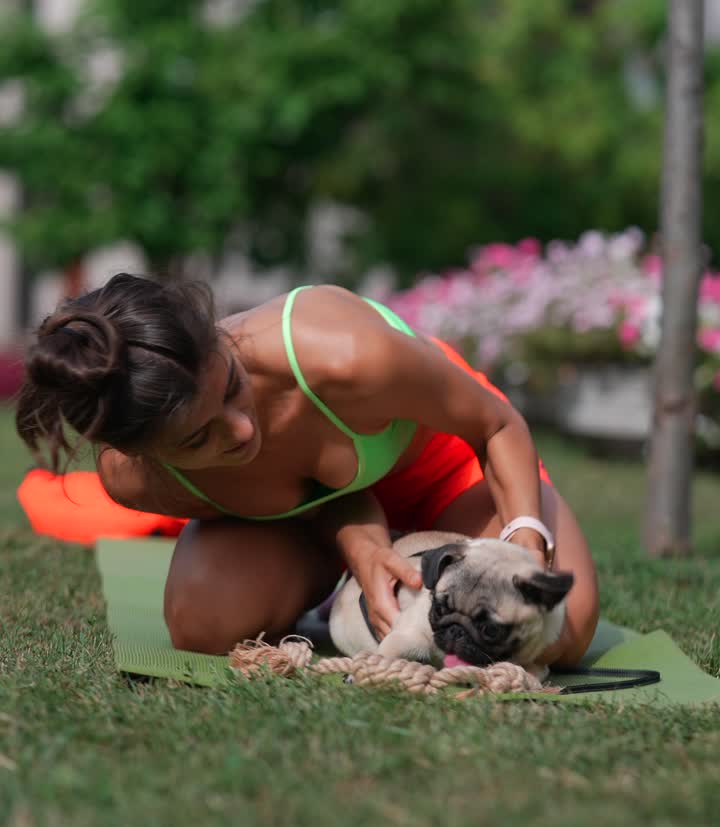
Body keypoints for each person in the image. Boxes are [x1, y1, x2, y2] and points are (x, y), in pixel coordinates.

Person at [16, 273, 599, 664]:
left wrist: (528, 539)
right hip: (320, 518)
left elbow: (497, 425)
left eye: (233, 387)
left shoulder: (344, 353)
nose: (241, 429)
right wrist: (361, 544)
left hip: (449, 471)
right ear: (152, 455)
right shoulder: (138, 480)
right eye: (200, 437)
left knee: (561, 633)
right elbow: (319, 501)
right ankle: (335, 597)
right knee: (204, 623)